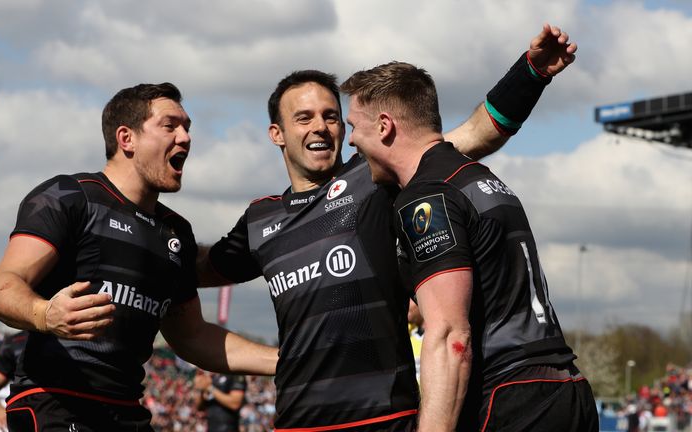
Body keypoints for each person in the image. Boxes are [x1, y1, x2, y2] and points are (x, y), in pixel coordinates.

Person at [198, 24, 578, 431]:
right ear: (277, 134)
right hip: (297, 423)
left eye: (331, 117)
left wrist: (530, 74)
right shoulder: (260, 219)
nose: (320, 127)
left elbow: (472, 135)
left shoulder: (373, 179)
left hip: (387, 418)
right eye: (303, 118)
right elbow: (190, 272)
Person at [0, 82, 278, 431]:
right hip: (55, 405)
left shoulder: (175, 232)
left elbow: (193, 336)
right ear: (127, 139)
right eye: (170, 126)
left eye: (187, 128)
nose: (185, 138)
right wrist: (45, 313)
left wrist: (289, 360)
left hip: (127, 411)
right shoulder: (69, 197)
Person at [339, 42, 598, 431]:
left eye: (354, 127)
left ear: (384, 126)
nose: (351, 141)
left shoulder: (424, 197)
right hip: (566, 388)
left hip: (512, 397)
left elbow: (449, 336)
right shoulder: (474, 176)